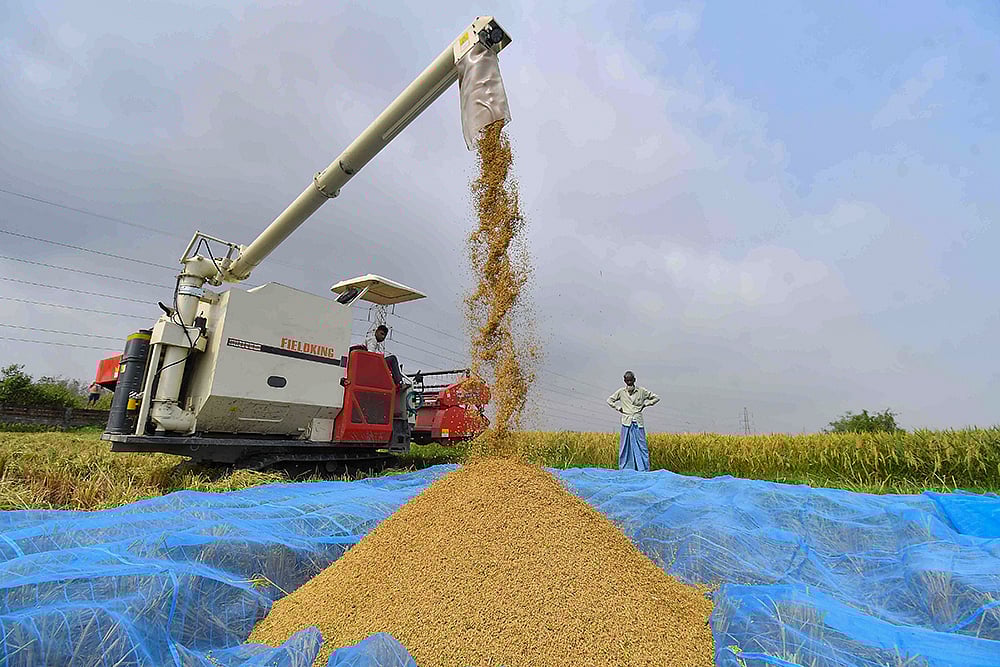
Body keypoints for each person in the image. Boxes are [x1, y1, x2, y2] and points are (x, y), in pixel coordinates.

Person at [607, 371, 659, 471]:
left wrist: (646, 404)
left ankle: (643, 468)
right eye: (627, 381)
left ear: (634, 380)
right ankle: (626, 468)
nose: (629, 383)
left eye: (631, 380)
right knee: (625, 447)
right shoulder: (621, 392)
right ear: (625, 381)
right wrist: (618, 408)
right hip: (626, 422)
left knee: (642, 446)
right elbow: (609, 400)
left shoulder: (642, 391)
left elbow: (656, 398)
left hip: (638, 422)